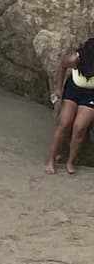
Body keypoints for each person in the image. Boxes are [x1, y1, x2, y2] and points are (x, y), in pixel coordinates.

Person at [46, 39, 94, 175]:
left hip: (91, 95)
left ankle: (71, 161)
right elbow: (62, 66)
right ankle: (51, 160)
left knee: (80, 127)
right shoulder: (75, 58)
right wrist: (58, 88)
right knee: (64, 123)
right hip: (74, 90)